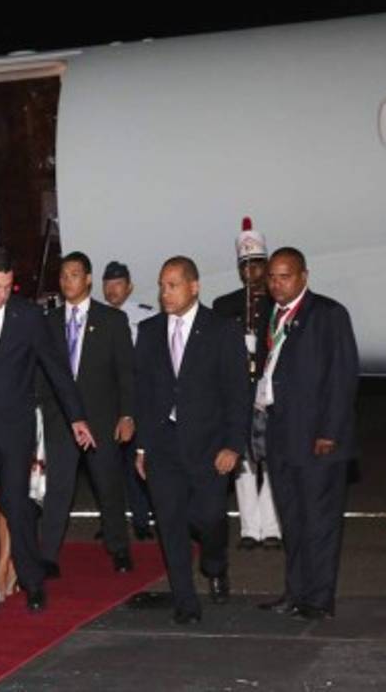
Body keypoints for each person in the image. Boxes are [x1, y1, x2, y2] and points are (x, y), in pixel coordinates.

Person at [0, 248, 93, 614]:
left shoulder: (27, 316)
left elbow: (57, 368)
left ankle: (32, 582)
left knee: (15, 503)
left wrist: (77, 417)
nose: (3, 294)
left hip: (15, 428)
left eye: (9, 286)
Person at [134, 257, 249, 624]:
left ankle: (215, 564)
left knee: (209, 518)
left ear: (194, 286)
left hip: (210, 447)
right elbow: (144, 393)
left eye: (173, 285)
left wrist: (234, 444)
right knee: (169, 522)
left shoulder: (221, 330)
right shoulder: (150, 331)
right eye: (162, 286)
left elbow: (237, 393)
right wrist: (141, 446)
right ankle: (185, 601)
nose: (165, 293)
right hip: (164, 445)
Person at [255, 248, 359, 621]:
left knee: (320, 521)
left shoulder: (328, 315)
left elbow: (343, 376)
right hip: (282, 434)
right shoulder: (275, 315)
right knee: (293, 520)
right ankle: (296, 592)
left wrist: (329, 432)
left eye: (284, 276)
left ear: (303, 277)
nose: (276, 283)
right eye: (271, 277)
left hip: (318, 440)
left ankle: (319, 598)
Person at [40, 252, 136, 575]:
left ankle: (119, 547)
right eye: (64, 275)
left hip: (101, 420)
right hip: (60, 421)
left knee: (108, 486)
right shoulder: (48, 322)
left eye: (75, 275)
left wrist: (127, 414)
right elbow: (41, 374)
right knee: (58, 488)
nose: (68, 281)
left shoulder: (112, 321)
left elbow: (126, 373)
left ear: (89, 279)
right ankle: (48, 555)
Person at [212, 218, 282, 551]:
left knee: (270, 456)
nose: (251, 272)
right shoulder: (225, 306)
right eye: (246, 266)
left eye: (257, 265)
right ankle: (248, 528)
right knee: (241, 458)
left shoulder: (277, 304)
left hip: (271, 388)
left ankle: (271, 526)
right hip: (237, 388)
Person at [102, 260, 156, 540]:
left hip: (135, 400)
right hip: (105, 403)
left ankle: (141, 520)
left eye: (118, 284)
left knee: (137, 461)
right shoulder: (95, 318)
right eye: (108, 285)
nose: (112, 290)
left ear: (129, 286)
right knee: (106, 466)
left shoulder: (145, 316)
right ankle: (110, 522)